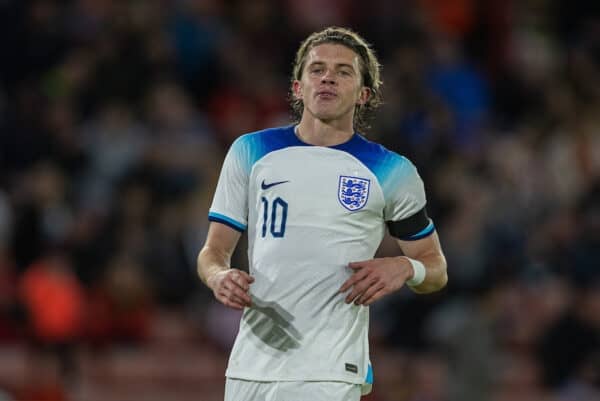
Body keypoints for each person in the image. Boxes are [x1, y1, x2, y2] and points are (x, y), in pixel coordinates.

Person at [197, 26, 448, 401]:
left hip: (329, 371)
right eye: (317, 69)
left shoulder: (392, 171)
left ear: (363, 95)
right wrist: (219, 277)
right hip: (249, 367)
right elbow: (212, 253)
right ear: (299, 88)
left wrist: (404, 267)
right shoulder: (251, 151)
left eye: (343, 71)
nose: (328, 76)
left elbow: (436, 269)